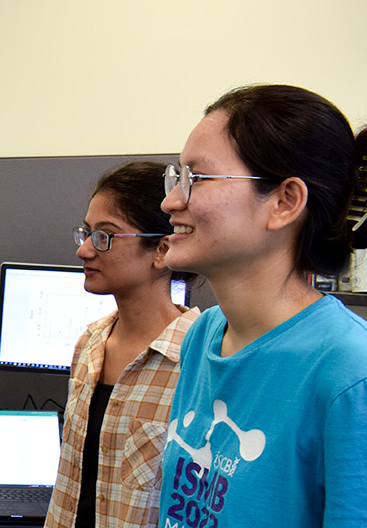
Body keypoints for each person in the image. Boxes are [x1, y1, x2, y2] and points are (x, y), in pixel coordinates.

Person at [156, 84, 367, 527]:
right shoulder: (204, 334)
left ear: (284, 202)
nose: (171, 201)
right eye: (177, 177)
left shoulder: (349, 371)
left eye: (198, 178)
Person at [44, 161, 201, 528]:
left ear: (162, 250)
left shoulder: (196, 358)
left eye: (104, 236)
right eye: (86, 233)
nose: (84, 250)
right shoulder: (90, 343)